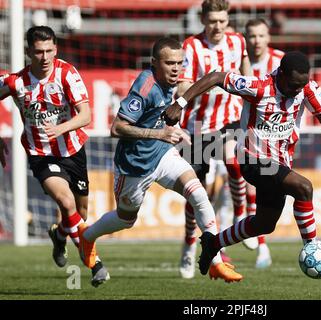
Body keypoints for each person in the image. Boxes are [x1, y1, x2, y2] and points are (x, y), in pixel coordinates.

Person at [164, 51, 321, 276]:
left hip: (280, 164)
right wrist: (180, 103)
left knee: (264, 224)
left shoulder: (306, 88)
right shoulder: (259, 87)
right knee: (303, 187)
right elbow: (215, 77)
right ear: (281, 74)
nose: (297, 90)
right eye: (293, 85)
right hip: (253, 160)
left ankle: (213, 243)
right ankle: (313, 247)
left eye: (301, 85)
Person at [77, 37, 243, 283]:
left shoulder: (172, 82)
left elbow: (185, 96)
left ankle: (216, 261)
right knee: (126, 220)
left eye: (179, 62)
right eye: (169, 63)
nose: (176, 68)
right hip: (134, 166)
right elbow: (117, 128)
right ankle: (88, 236)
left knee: (198, 194)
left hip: (162, 153)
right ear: (154, 63)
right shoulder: (145, 86)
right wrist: (160, 133)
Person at [0, 26, 109, 287]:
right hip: (41, 154)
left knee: (79, 213)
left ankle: (59, 235)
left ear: (56, 49)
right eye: (38, 52)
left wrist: (60, 128)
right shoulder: (16, 82)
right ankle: (95, 264)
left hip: (73, 150)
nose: (45, 57)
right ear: (28, 52)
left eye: (49, 50)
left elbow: (86, 115)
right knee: (65, 200)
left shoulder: (67, 74)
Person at [176, 0, 255, 279]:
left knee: (233, 159)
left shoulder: (237, 41)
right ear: (203, 20)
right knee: (195, 194)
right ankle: (187, 245)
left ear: (228, 19)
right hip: (197, 126)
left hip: (230, 119)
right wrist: (208, 82)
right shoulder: (191, 46)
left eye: (222, 21)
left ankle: (241, 213)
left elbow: (247, 73)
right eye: (212, 21)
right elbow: (182, 84)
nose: (217, 26)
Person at [243, 17, 286, 269]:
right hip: (242, 130)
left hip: (275, 137)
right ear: (245, 38)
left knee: (263, 194)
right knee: (230, 183)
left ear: (268, 37)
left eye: (260, 35)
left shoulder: (281, 61)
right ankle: (255, 243)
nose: (256, 41)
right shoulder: (238, 60)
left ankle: (260, 246)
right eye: (251, 36)